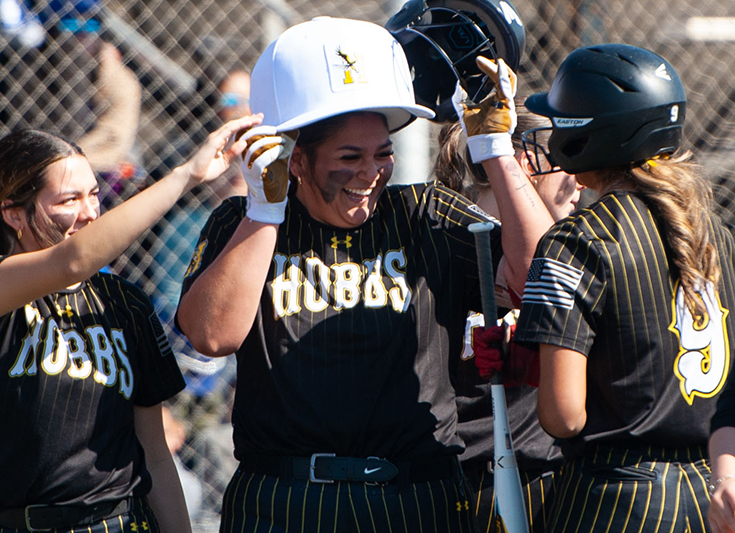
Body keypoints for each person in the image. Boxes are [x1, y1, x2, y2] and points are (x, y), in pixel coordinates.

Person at [175, 16, 554, 532]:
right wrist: (263, 212)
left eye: (383, 154)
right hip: (284, 499)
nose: (371, 172)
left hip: (415, 497)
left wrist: (496, 150)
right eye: (348, 157)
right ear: (297, 159)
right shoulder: (244, 222)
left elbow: (540, 283)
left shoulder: (424, 213)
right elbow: (211, 335)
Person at [0, 112, 262, 532]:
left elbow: (155, 452)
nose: (91, 213)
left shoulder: (124, 303)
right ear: (13, 214)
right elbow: (72, 261)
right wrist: (187, 175)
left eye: (94, 195)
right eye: (70, 199)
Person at [509, 43, 735, 532]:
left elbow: (563, 416)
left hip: (615, 499)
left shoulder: (576, 238)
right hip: (710, 493)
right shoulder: (716, 234)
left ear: (594, 135)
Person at [434, 100, 583, 533]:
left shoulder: (577, 245)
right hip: (457, 477)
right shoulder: (445, 241)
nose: (581, 180)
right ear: (527, 162)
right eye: (568, 158)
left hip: (536, 475)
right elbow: (532, 268)